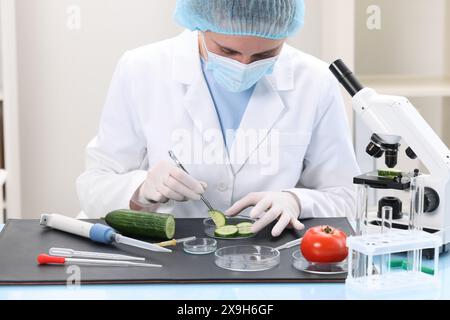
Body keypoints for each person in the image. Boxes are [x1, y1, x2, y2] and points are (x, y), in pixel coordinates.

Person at [77, 0, 360, 237]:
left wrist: (297, 200)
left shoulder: (315, 80)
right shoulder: (142, 69)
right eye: (227, 51)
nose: (244, 65)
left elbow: (346, 197)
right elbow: (94, 185)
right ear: (200, 23)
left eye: (265, 54)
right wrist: (141, 190)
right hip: (168, 254)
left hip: (269, 259)